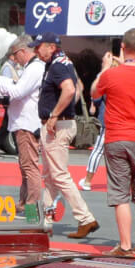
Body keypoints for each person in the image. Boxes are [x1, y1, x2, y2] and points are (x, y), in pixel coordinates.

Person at [91, 28, 135, 254]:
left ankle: (125, 245)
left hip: (116, 137)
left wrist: (105, 68)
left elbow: (94, 93)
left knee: (120, 194)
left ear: (122, 46)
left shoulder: (111, 75)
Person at [34, 34, 98, 237]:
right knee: (50, 176)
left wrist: (55, 115)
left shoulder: (57, 65)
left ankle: (85, 218)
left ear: (51, 47)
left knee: (59, 176)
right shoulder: (62, 62)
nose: (36, 51)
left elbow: (70, 90)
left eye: (38, 47)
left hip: (56, 125)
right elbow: (76, 88)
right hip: (60, 123)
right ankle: (45, 222)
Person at [0, 36, 47, 214]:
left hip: (27, 124)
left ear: (23, 51)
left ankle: (32, 209)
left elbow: (17, 91)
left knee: (29, 168)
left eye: (15, 55)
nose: (14, 59)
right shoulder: (32, 68)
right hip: (24, 123)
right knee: (26, 167)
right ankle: (24, 203)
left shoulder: (34, 68)